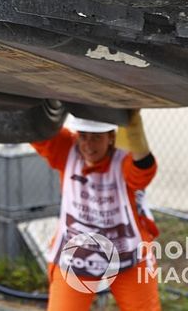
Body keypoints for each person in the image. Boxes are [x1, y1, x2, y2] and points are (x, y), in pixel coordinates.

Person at [32, 112, 160, 310]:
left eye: (96, 138)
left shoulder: (124, 159)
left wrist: (134, 128)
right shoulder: (67, 149)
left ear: (111, 138)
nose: (88, 146)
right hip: (75, 256)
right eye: (83, 136)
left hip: (128, 255)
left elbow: (141, 174)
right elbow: (37, 132)